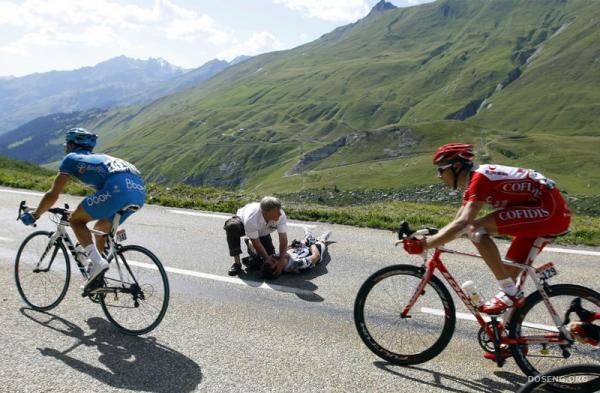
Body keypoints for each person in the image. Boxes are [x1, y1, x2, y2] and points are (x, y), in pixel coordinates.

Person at [403, 143, 571, 315]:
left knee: (475, 230)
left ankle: (511, 294)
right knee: (507, 271)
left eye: (440, 169)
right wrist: (434, 236)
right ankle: (509, 332)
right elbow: (458, 220)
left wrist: (425, 245)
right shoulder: (473, 181)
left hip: (550, 212)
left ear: (457, 166)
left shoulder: (480, 179)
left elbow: (463, 224)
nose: (438, 176)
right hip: (544, 211)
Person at [19, 128, 145, 292]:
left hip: (117, 189)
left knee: (75, 220)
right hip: (139, 193)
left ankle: (97, 263)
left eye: (66, 145)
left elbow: (52, 195)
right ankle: (95, 272)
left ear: (71, 145)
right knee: (100, 227)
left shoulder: (71, 158)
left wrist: (35, 215)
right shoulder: (97, 159)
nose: (65, 148)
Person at [223, 196, 288, 277]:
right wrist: (266, 258)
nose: (280, 213)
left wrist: (281, 259)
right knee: (232, 226)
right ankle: (237, 263)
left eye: (280, 210)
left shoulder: (281, 216)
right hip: (243, 224)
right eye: (277, 211)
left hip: (263, 231)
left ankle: (250, 244)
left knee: (270, 260)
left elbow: (283, 240)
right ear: (266, 212)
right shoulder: (251, 218)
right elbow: (256, 242)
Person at [260, 230, 331, 277]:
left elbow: (287, 249)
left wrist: (292, 245)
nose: (273, 256)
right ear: (278, 270)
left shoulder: (276, 257)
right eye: (273, 261)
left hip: (301, 249)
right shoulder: (299, 265)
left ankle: (308, 236)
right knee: (321, 242)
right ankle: (321, 239)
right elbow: (316, 256)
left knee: (304, 240)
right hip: (314, 251)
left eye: (270, 258)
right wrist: (312, 244)